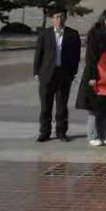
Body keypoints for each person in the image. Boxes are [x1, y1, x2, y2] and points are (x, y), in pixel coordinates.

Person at [33, 9, 81, 142]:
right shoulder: (45, 34)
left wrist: (73, 72)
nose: (59, 19)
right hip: (46, 74)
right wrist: (36, 72)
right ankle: (44, 132)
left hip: (64, 74)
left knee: (61, 106)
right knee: (45, 106)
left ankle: (61, 132)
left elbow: (76, 56)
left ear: (65, 18)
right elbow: (39, 53)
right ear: (52, 19)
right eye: (56, 17)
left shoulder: (73, 34)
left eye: (61, 17)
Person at [76, 9, 106, 147]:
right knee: (94, 107)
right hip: (94, 74)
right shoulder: (94, 33)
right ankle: (92, 135)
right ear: (102, 18)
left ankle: (103, 134)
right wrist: (93, 76)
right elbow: (91, 57)